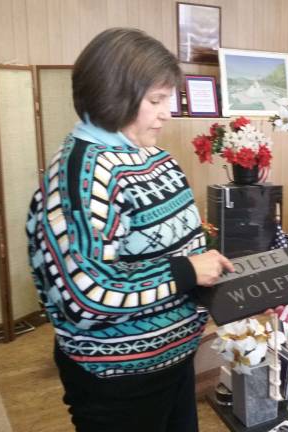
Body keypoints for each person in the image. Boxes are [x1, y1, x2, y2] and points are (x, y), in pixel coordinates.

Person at [26, 28, 234, 432]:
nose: (166, 113)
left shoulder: (145, 153)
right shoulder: (80, 176)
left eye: (167, 100)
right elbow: (84, 295)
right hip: (120, 383)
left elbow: (176, 245)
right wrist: (188, 272)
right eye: (156, 101)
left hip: (170, 365)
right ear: (113, 94)